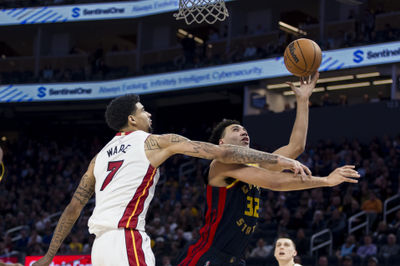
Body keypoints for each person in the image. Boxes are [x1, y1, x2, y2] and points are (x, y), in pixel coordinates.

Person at [33, 94, 310, 266]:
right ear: (132, 118)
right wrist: (279, 160)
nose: (148, 114)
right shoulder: (154, 141)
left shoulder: (99, 158)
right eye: (143, 110)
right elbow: (221, 151)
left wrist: (48, 256)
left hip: (100, 249)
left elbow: (72, 209)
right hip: (126, 239)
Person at [177, 73, 360, 265]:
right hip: (207, 255)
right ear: (222, 142)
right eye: (235, 130)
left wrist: (303, 100)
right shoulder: (220, 164)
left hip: (236, 259)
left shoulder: (257, 164)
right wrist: (324, 181)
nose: (243, 131)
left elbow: (296, 147)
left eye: (244, 129)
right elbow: (275, 182)